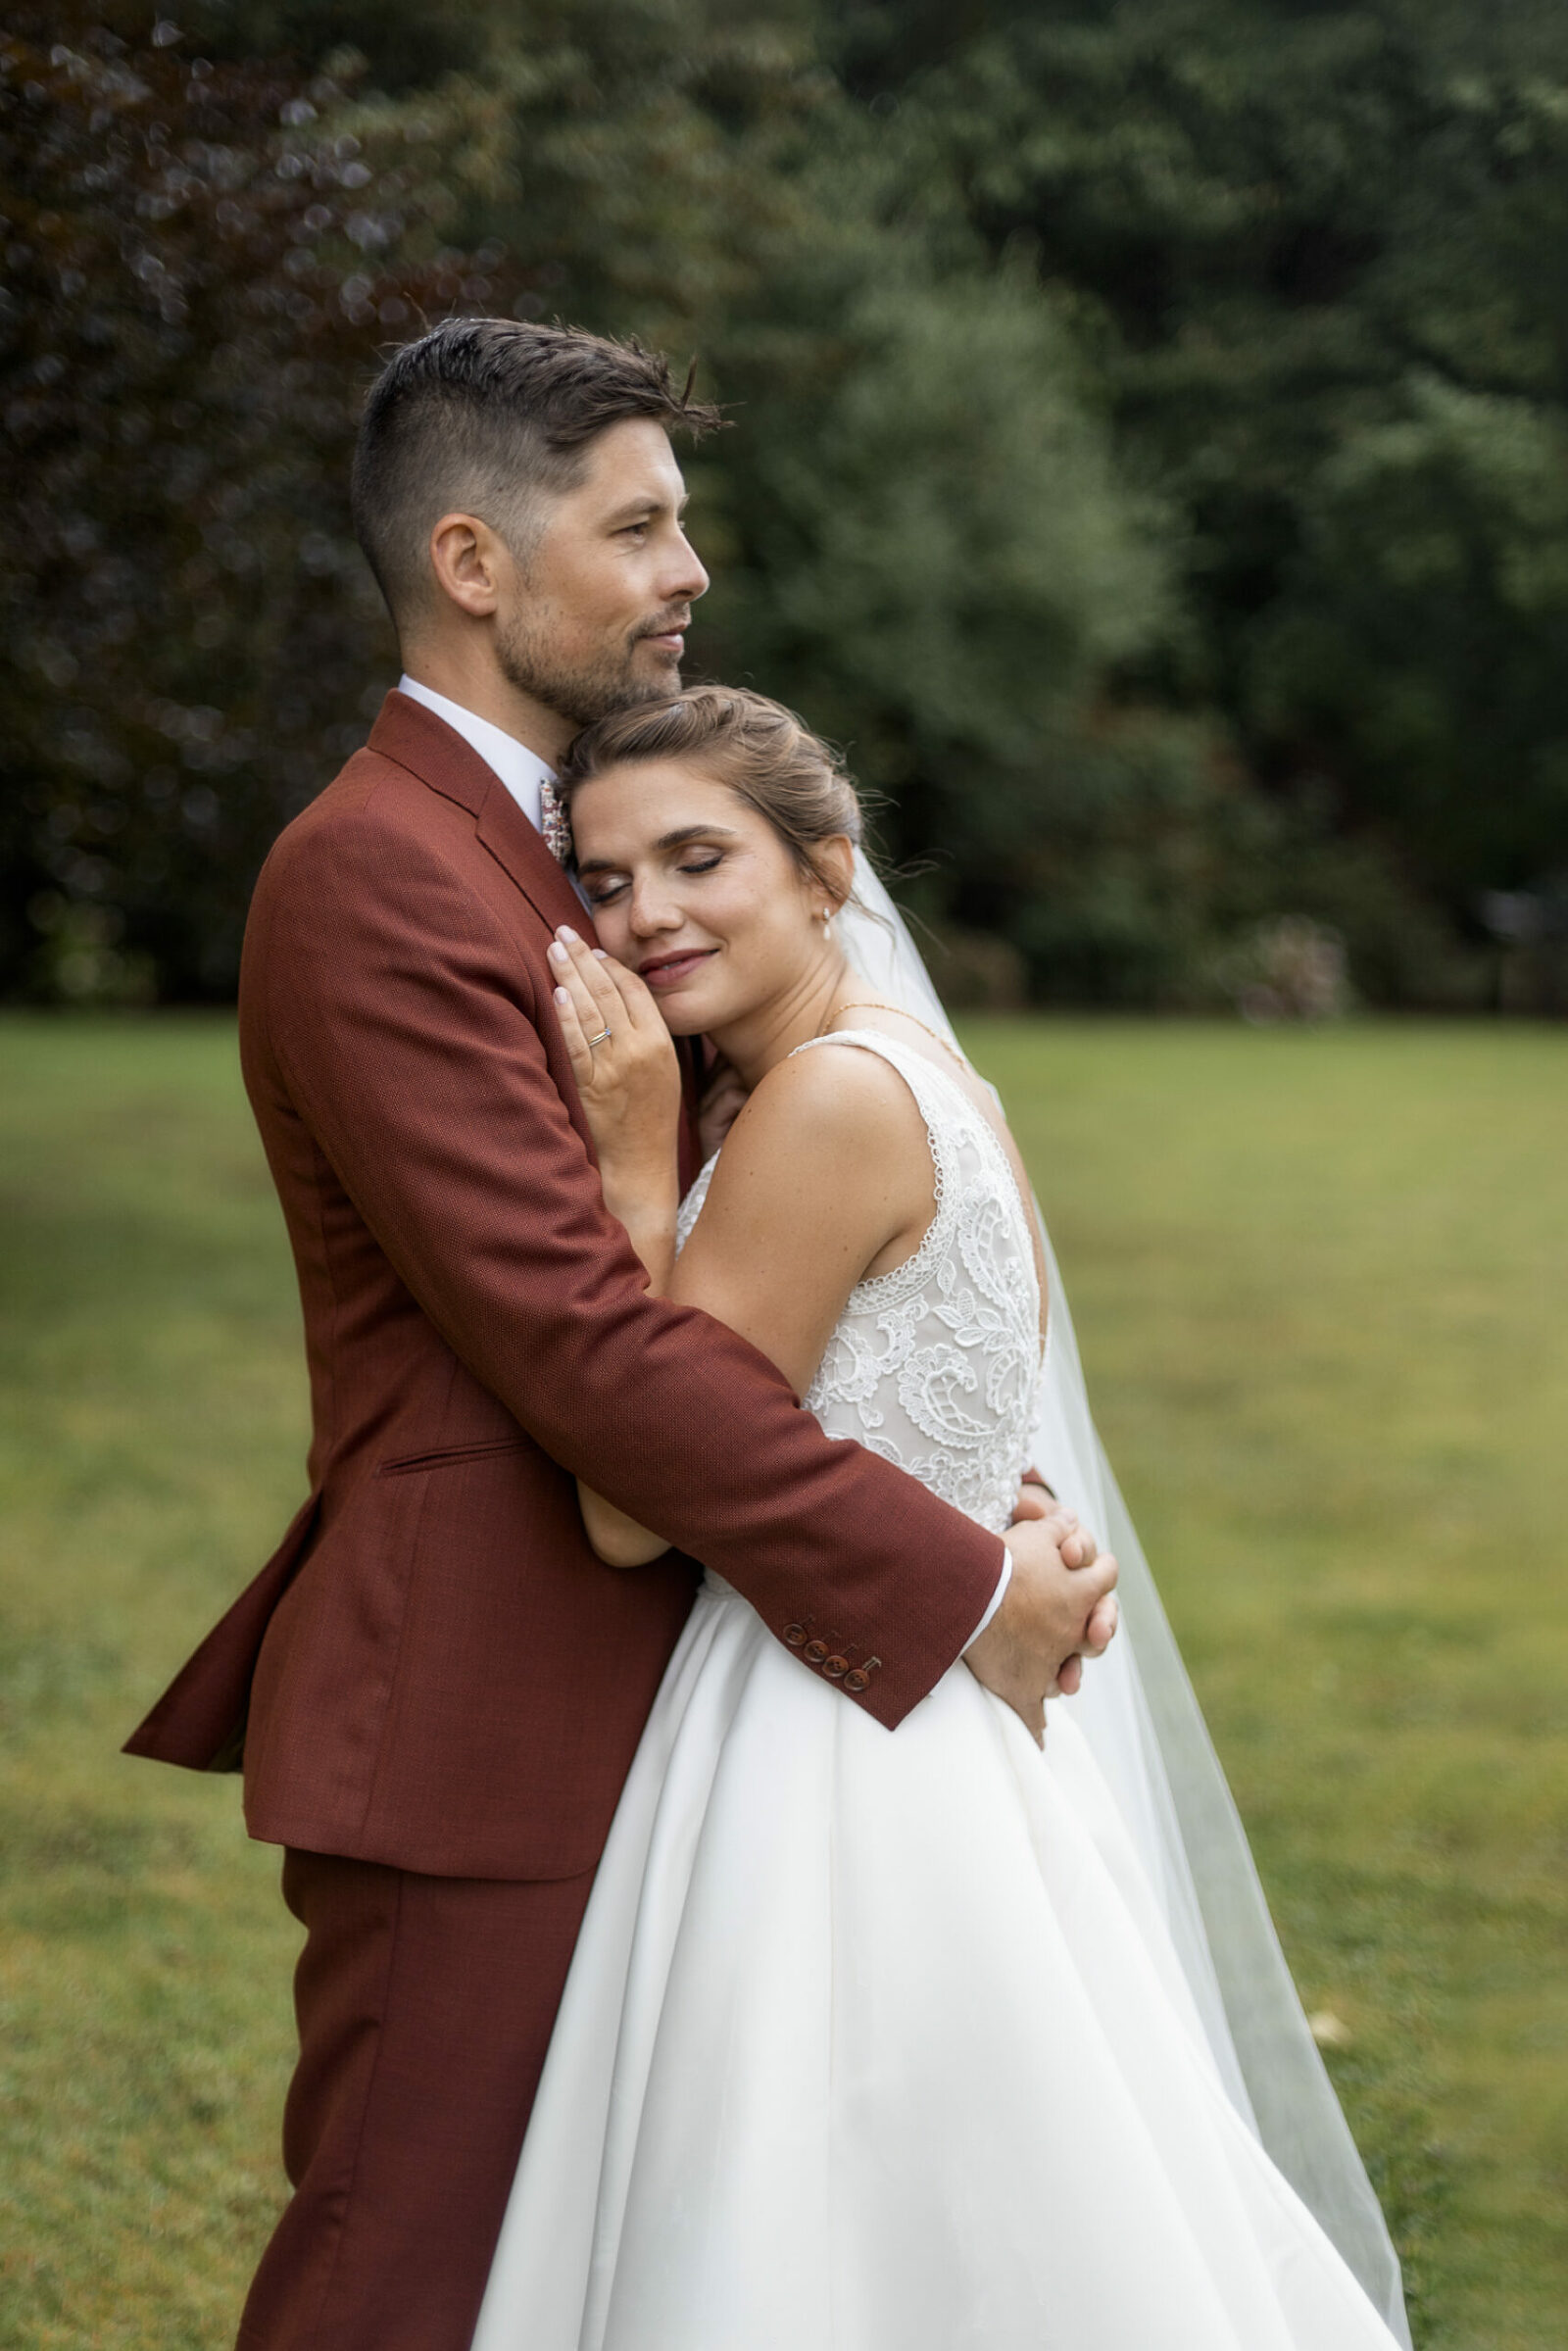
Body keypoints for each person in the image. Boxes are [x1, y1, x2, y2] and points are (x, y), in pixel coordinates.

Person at [120, 318, 1118, 2351]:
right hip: (488, 1701)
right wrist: (943, 1583)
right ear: (476, 564)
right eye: (640, 526)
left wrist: (936, 1461)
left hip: (684, 1695)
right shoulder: (378, 878)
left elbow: (748, 1255)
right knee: (405, 2276)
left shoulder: (575, 841)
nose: (690, 575)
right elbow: (577, 1340)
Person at [468, 684, 1412, 2350]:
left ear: (829, 875)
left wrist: (626, 1172)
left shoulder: (824, 1104)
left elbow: (629, 1507)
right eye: (605, 882)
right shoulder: (925, 1078)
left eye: (700, 858)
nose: (646, 915)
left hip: (827, 1746)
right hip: (945, 1719)